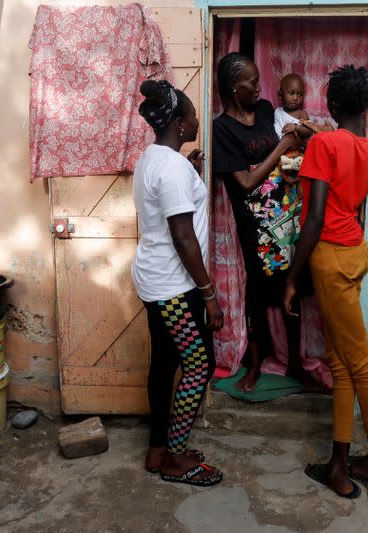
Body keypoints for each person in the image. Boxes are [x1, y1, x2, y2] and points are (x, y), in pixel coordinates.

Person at [284, 65, 368, 499]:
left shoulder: (323, 145)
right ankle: (338, 463)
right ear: (365, 108)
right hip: (355, 252)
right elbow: (345, 171)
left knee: (359, 360)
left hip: (328, 256)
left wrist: (292, 278)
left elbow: (312, 220)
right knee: (341, 361)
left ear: (330, 106)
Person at [212, 53, 323, 393]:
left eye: (259, 80)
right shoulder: (222, 129)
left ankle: (296, 364)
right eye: (252, 83)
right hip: (256, 226)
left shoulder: (263, 112)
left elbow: (292, 137)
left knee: (295, 287)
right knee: (259, 294)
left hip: (287, 216)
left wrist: (299, 137)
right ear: (234, 87)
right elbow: (244, 183)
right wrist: (282, 148)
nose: (260, 88)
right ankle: (255, 366)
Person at [132, 79, 223, 487]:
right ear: (180, 124)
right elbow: (183, 237)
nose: (197, 118)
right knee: (200, 366)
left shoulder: (156, 158)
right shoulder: (171, 168)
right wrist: (209, 295)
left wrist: (193, 170)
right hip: (174, 287)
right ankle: (173, 457)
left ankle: (158, 449)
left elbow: (176, 201)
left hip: (156, 279)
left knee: (166, 363)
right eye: (192, 114)